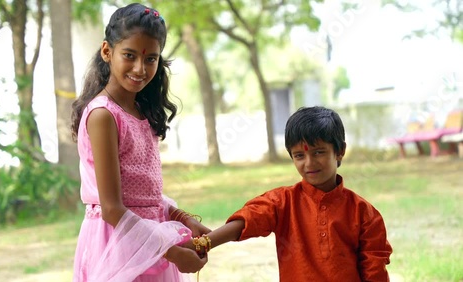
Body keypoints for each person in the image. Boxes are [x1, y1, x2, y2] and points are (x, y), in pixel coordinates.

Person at [70, 3, 209, 281]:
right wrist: (172, 252)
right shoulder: (103, 116)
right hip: (119, 246)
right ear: (107, 51)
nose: (140, 68)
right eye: (129, 55)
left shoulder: (141, 112)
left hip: (150, 240)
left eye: (150, 59)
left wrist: (181, 217)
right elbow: (112, 209)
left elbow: (146, 195)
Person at [188, 106, 393, 281]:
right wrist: (204, 243)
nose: (309, 163)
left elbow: (374, 272)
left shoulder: (364, 213)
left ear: (340, 151)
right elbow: (248, 220)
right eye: (299, 155)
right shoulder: (282, 202)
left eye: (318, 152)